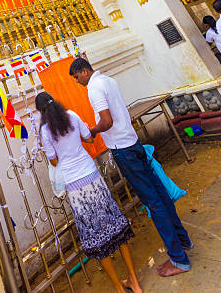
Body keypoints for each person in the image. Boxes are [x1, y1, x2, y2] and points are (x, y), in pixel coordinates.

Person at [69, 57, 193, 279]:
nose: (77, 82)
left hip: (123, 150)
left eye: (77, 77)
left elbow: (106, 121)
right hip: (133, 143)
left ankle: (179, 258)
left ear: (84, 71)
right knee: (160, 195)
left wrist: (93, 131)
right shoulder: (108, 80)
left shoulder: (94, 88)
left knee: (153, 202)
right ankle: (183, 240)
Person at [35, 91, 142, 293]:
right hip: (92, 176)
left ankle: (119, 288)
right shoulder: (72, 116)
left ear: (41, 111)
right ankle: (134, 282)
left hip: (74, 185)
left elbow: (54, 161)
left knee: (95, 236)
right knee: (115, 225)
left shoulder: (46, 131)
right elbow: (89, 139)